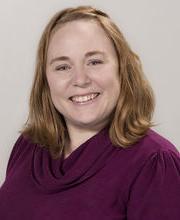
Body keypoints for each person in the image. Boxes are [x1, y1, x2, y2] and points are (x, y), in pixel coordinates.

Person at [0, 5, 179, 220]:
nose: (81, 80)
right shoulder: (28, 146)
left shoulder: (154, 163)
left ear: (122, 69)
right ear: (45, 80)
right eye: (63, 67)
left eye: (94, 62)